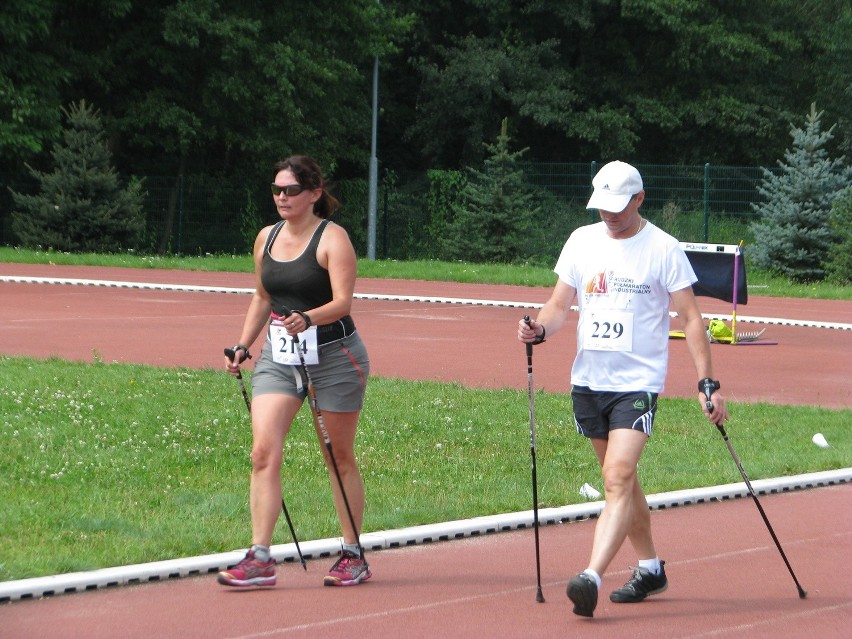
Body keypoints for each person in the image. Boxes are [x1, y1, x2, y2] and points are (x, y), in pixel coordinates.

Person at [517, 160, 728, 618]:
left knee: (616, 477)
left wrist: (706, 381)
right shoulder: (581, 240)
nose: (609, 216)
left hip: (637, 384)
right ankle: (651, 568)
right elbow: (557, 306)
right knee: (624, 484)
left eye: (618, 207)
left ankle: (590, 576)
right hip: (589, 382)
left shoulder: (664, 249)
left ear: (639, 199)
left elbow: (691, 319)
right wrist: (539, 329)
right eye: (602, 207)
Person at [218, 155, 371, 588]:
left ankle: (353, 552)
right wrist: (244, 345)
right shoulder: (265, 237)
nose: (281, 197)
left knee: (337, 456)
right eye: (276, 190)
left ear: (314, 194)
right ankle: (260, 556)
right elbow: (262, 297)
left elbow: (343, 302)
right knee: (262, 452)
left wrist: (308, 316)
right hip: (280, 360)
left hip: (335, 356)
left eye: (290, 190)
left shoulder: (332, 239)